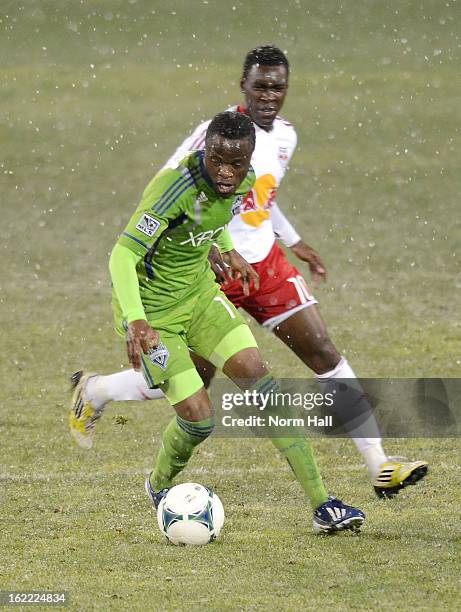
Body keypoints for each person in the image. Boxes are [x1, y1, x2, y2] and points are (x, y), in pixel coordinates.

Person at [70, 46, 427, 499]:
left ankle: (379, 464)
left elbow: (262, 197)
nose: (269, 96)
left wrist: (291, 239)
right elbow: (168, 190)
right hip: (203, 271)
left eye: (277, 86)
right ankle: (97, 390)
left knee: (322, 353)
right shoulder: (215, 135)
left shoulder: (285, 137)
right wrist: (202, 244)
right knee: (190, 390)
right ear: (243, 86)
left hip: (259, 265)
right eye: (260, 85)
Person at [72, 111, 365, 534]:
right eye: (217, 161)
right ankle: (158, 483)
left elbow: (213, 220)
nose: (226, 173)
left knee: (261, 383)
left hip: (202, 298)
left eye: (237, 164)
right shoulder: (171, 189)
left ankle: (323, 505)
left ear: (249, 160)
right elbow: (121, 255)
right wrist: (136, 321)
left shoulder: (243, 182)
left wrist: (225, 248)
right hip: (153, 316)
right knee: (199, 419)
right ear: (204, 150)